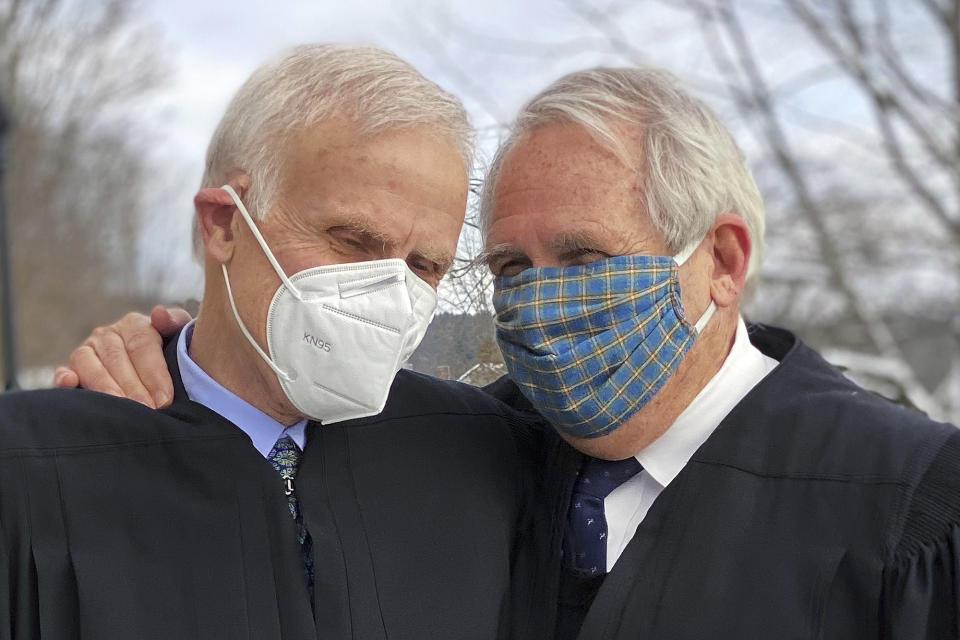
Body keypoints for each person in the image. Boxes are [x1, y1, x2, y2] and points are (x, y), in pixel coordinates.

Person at [60, 66, 960, 639]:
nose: (538, 301)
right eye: (508, 267)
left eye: (583, 258)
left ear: (721, 261)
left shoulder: (905, 510)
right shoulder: (478, 450)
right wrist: (161, 350)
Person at [1, 44, 540, 639]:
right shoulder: (33, 471)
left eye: (425, 265)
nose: (391, 291)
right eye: (354, 242)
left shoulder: (486, 459)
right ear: (224, 225)